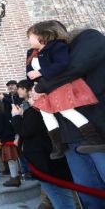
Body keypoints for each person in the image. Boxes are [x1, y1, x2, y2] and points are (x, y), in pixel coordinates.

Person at [34, 25, 105, 209]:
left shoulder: (88, 37)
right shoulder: (49, 54)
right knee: (89, 196)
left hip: (97, 130)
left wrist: (41, 85)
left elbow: (74, 67)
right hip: (71, 137)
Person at [26, 20, 105, 158]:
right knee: (82, 176)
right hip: (68, 133)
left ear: (44, 35)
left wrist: (40, 85)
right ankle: (58, 145)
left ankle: (94, 138)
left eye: (30, 36)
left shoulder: (86, 38)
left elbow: (70, 68)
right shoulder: (40, 52)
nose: (28, 40)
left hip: (91, 118)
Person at [11, 79, 76, 209]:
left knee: (60, 197)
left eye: (36, 91)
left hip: (46, 160)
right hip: (44, 159)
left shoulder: (37, 110)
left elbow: (26, 131)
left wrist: (16, 116)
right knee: (55, 194)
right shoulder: (34, 110)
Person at [0, 97, 20, 187]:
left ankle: (14, 178)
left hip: (5, 138)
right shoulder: (3, 113)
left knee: (10, 158)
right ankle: (16, 176)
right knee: (13, 158)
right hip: (10, 137)